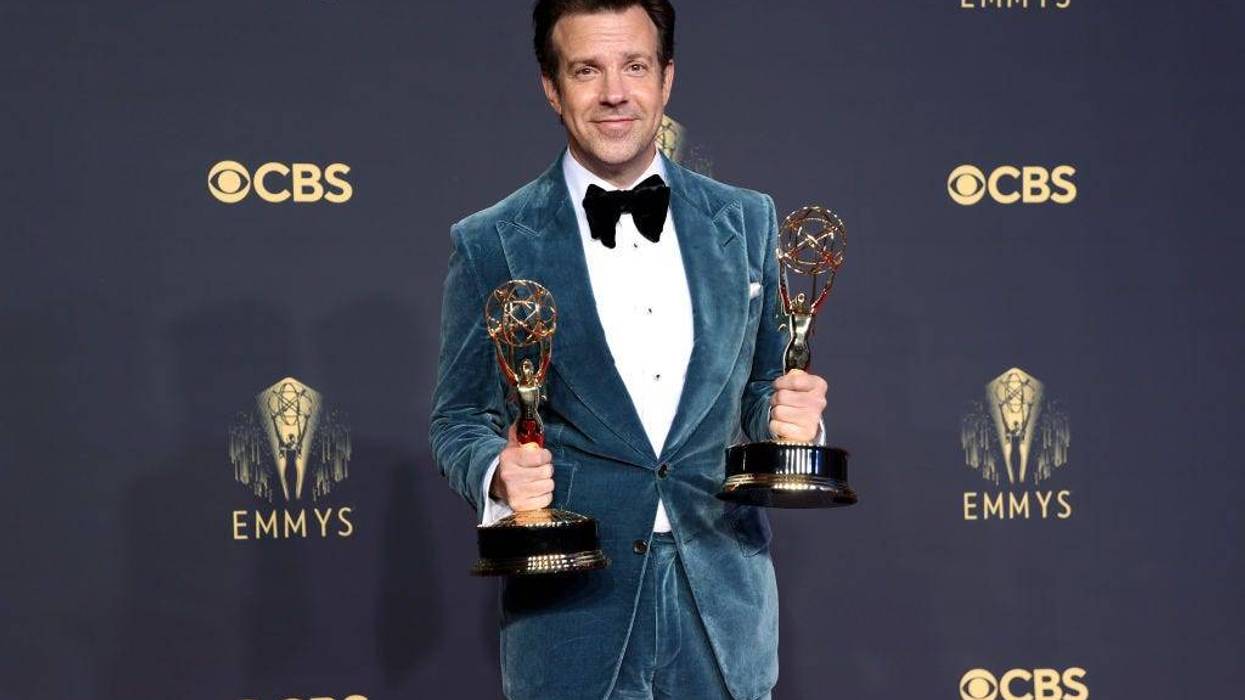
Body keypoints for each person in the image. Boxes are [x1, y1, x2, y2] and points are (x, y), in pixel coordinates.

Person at [429, 1, 830, 698]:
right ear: (552, 88)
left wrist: (790, 419)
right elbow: (457, 419)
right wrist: (498, 472)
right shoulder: (491, 241)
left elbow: (762, 384)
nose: (614, 92)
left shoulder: (745, 217)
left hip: (722, 608)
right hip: (573, 616)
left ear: (666, 79)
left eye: (634, 66)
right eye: (586, 69)